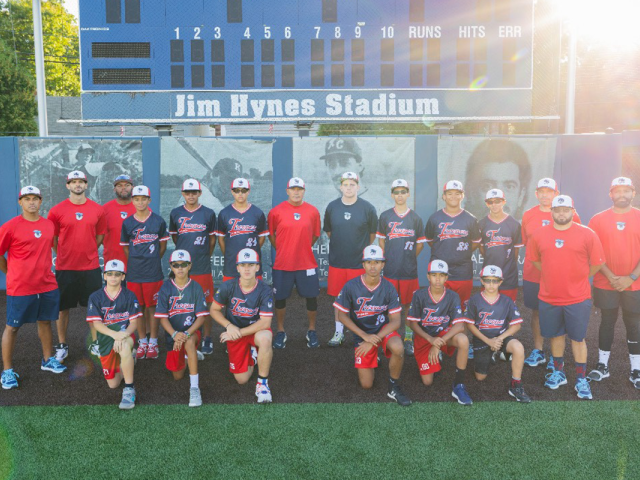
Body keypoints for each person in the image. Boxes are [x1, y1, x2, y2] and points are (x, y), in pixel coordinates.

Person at [528, 195, 604, 400]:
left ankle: (580, 379)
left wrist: (579, 276)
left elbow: (597, 263)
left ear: (573, 210)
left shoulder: (587, 234)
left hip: (577, 298)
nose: (561, 213)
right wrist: (553, 274)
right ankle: (558, 372)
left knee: (578, 339)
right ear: (551, 211)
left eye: (565, 209)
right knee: (556, 336)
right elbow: (535, 260)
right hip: (549, 297)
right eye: (557, 209)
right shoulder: (539, 234)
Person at [0, 186, 67, 389]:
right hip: (20, 287)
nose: (31, 202)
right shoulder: (10, 226)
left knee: (45, 321)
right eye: (27, 198)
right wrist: (11, 273)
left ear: (40, 201)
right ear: (20, 202)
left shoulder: (48, 225)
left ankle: (47, 360)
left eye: (35, 198)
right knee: (12, 327)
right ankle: (7, 371)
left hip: (46, 285)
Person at [333, 245, 412, 406]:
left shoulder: (389, 287)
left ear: (383, 264)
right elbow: (341, 315)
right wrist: (365, 337)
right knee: (366, 385)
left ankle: (393, 386)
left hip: (382, 331)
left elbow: (396, 321)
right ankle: (373, 355)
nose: (373, 266)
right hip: (362, 333)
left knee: (398, 347)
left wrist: (373, 340)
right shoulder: (351, 286)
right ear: (363, 265)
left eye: (377, 262)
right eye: (369, 262)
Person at [521, 179, 581, 368]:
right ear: (536, 193)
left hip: (560, 277)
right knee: (537, 312)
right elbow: (526, 243)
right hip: (534, 274)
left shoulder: (571, 215)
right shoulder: (528, 215)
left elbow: (577, 241)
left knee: (558, 313)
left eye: (549, 191)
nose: (545, 195)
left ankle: (557, 355)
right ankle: (538, 351)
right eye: (542, 191)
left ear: (556, 194)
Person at [48, 170, 106, 362]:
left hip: (90, 268)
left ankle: (96, 343)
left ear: (86, 185)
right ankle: (62, 345)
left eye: (81, 181)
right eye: (73, 182)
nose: (77, 185)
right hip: (66, 268)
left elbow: (100, 236)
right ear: (68, 186)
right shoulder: (56, 211)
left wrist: (88, 251)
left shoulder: (98, 209)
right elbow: (53, 238)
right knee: (63, 308)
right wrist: (64, 254)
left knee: (94, 308)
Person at [588, 177, 640, 388]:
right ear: (610, 194)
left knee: (634, 325)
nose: (621, 194)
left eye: (625, 191)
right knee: (607, 323)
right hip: (605, 281)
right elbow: (593, 252)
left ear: (633, 193)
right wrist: (610, 276)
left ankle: (636, 369)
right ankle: (603, 366)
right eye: (617, 191)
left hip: (635, 283)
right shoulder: (597, 220)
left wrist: (631, 277)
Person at [211, 248, 274, 403]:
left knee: (265, 339)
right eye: (243, 264)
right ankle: (253, 355)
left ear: (257, 267)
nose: (247, 268)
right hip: (235, 331)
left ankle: (263, 384)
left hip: (255, 330)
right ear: (237, 267)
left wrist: (238, 331)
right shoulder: (228, 286)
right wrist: (228, 326)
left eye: (251, 264)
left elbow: (265, 322)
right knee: (241, 379)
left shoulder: (265, 290)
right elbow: (214, 310)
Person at [407, 260, 472, 405]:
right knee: (427, 382)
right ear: (428, 276)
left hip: (443, 335)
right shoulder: (419, 295)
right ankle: (434, 354)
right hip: (425, 338)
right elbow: (413, 324)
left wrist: (437, 344)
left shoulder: (452, 296)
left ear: (446, 278)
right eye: (434, 275)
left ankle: (459, 385)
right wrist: (431, 340)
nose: (438, 279)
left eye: (442, 275)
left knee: (463, 340)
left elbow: (460, 325)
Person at [324, 171, 378, 347]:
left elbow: (371, 235)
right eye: (345, 185)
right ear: (340, 187)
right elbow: (329, 232)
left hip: (358, 263)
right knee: (339, 302)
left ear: (358, 187)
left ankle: (363, 334)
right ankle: (338, 332)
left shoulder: (368, 208)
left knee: (361, 300)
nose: (348, 188)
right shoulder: (332, 207)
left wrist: (358, 249)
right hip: (338, 262)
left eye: (352, 185)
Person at [268, 177, 321, 349]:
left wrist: (302, 248)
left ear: (304, 191)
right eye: (293, 189)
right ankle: (281, 331)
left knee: (311, 298)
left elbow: (314, 236)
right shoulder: (276, 211)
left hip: (306, 263)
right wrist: (284, 248)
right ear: (287, 191)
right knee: (280, 299)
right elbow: (271, 235)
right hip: (283, 264)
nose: (296, 192)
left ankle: (311, 331)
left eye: (300, 189)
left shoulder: (313, 211)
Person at [466, 265, 531, 403]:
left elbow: (517, 324)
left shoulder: (506, 301)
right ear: (482, 281)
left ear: (500, 282)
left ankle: (516, 384)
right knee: (480, 377)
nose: (491, 284)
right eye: (488, 280)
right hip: (482, 339)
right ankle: (492, 354)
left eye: (495, 281)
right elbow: (469, 324)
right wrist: (489, 342)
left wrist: (498, 339)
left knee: (518, 347)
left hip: (501, 337)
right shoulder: (475, 300)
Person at [377, 179, 426, 356]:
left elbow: (420, 245)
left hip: (408, 270)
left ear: (408, 194)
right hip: (390, 269)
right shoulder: (385, 216)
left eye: (403, 192)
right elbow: (381, 240)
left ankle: (407, 338)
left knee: (408, 306)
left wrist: (409, 257)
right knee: (389, 305)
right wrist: (388, 256)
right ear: (392, 195)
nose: (399, 195)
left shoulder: (415, 218)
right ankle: (391, 335)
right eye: (396, 192)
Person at [121, 185, 169, 360]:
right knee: (138, 307)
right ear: (132, 201)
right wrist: (136, 259)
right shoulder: (128, 222)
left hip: (153, 272)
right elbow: (126, 247)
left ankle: (154, 341)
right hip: (134, 272)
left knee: (152, 307)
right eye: (136, 199)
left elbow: (162, 246)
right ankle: (142, 341)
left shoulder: (158, 221)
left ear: (149, 200)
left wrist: (153, 258)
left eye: (143, 199)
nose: (140, 202)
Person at [169, 178, 217, 355]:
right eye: (187, 193)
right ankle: (181, 336)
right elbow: (176, 238)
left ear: (199, 193)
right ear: (182, 194)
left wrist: (203, 254)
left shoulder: (208, 213)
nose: (191, 196)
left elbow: (212, 240)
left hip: (202, 266)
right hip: (182, 267)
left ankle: (207, 337)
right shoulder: (175, 213)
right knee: (182, 303)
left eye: (194, 192)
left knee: (206, 303)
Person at [155, 250, 209, 407]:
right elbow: (162, 318)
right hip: (173, 336)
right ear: (171, 267)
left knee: (189, 342)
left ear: (189, 266)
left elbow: (201, 318)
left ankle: (194, 389)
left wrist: (185, 334)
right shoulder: (165, 288)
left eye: (184, 264)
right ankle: (187, 356)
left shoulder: (196, 287)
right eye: (176, 265)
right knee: (177, 375)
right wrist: (174, 334)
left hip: (190, 332)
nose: (180, 268)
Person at [86, 259, 140, 409]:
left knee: (123, 347)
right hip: (106, 337)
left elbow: (134, 323)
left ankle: (129, 388)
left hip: (125, 335)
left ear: (123, 277)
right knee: (113, 384)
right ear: (104, 276)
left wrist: (122, 334)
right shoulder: (96, 297)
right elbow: (96, 324)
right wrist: (113, 335)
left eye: (117, 274)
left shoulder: (129, 295)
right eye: (110, 274)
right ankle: (128, 360)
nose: (113, 277)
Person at [425, 180, 480, 309]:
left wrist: (460, 254)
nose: (453, 197)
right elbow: (430, 240)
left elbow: (475, 243)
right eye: (449, 193)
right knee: (439, 307)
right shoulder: (434, 218)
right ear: (443, 196)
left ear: (462, 196)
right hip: (439, 270)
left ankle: (459, 330)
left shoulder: (470, 219)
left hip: (462, 271)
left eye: (457, 193)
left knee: (461, 308)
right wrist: (443, 250)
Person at [216, 177, 269, 283]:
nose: (240, 193)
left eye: (243, 190)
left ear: (248, 191)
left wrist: (253, 250)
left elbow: (261, 237)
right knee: (230, 296)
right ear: (232, 192)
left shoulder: (257, 213)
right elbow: (221, 239)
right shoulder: (224, 213)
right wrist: (229, 254)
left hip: (252, 263)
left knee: (254, 296)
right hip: (231, 265)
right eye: (237, 190)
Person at [463, 139, 532, 220]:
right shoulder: (464, 229)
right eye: (487, 186)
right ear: (472, 193)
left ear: (521, 195)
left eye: (509, 187)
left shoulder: (522, 230)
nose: (498, 197)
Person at [478, 189, 523, 302]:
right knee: (489, 310)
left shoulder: (514, 224)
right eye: (490, 202)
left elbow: (515, 253)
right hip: (488, 276)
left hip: (509, 276)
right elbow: (482, 249)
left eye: (497, 201)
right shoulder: (482, 224)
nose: (494, 205)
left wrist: (507, 263)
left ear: (503, 202)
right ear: (486, 204)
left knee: (508, 310)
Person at [102, 174, 136, 266]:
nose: (123, 188)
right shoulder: (105, 209)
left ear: (133, 188)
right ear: (114, 189)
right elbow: (99, 235)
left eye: (127, 185)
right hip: (113, 262)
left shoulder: (142, 208)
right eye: (119, 186)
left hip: (136, 263)